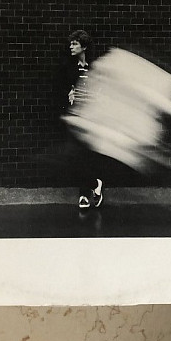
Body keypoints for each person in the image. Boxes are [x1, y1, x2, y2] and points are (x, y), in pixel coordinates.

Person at [61, 30, 104, 209]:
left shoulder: (94, 67)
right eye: (70, 44)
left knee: (87, 157)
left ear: (84, 46)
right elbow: (62, 88)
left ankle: (84, 195)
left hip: (92, 118)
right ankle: (95, 185)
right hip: (76, 117)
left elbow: (101, 90)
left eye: (75, 44)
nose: (71, 47)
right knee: (74, 157)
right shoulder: (69, 67)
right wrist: (68, 94)